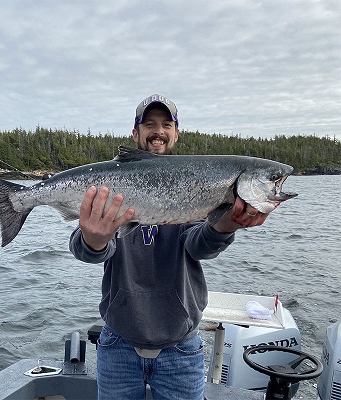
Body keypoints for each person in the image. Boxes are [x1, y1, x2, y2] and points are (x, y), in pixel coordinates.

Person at [69, 94, 269, 400]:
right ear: (135, 134)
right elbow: (84, 248)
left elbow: (197, 246)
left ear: (176, 133)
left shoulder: (196, 185)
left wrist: (226, 224)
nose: (158, 131)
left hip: (182, 348)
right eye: (149, 124)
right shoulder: (112, 181)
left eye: (166, 124)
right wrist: (95, 241)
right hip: (117, 343)